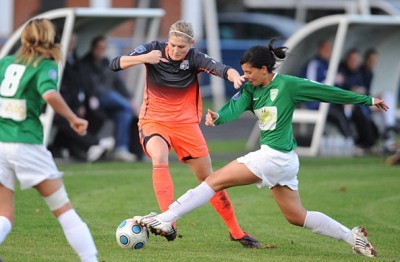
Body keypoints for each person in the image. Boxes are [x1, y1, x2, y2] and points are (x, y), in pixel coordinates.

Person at [133, 38, 388, 258]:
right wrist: (217, 117)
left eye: (250, 72)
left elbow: (327, 92)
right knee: (297, 216)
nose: (246, 76)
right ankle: (351, 237)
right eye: (244, 71)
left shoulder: (288, 85)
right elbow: (232, 108)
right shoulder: (250, 88)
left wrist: (368, 101)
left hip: (275, 157)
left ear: (265, 69)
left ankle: (165, 219)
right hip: (283, 161)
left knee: (213, 181)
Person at [109, 20, 260, 247]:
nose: (176, 50)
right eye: (172, 45)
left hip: (186, 127)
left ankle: (236, 231)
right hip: (154, 122)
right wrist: (144, 58)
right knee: (159, 156)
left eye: (182, 46)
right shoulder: (153, 49)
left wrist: (234, 76)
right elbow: (115, 63)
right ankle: (168, 222)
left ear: (191, 44)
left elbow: (221, 68)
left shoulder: (195, 58)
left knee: (210, 180)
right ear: (167, 40)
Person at [0, 19, 98, 261]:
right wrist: (73, 118)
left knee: (4, 215)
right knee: (64, 210)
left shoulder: (5, 62)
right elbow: (50, 93)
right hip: (24, 143)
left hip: (0, 144)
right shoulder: (45, 66)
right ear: (51, 39)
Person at [50, 34, 115, 162]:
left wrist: (81, 102)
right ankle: (94, 144)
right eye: (70, 41)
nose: (72, 44)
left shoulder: (75, 57)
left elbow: (80, 82)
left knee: (96, 115)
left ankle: (67, 148)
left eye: (73, 41)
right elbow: (54, 91)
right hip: (61, 102)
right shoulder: (54, 61)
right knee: (70, 121)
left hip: (74, 101)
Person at [81, 35, 137, 162]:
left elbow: (118, 82)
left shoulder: (106, 63)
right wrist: (129, 103)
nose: (102, 51)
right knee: (124, 105)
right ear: (93, 48)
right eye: (100, 48)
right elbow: (89, 86)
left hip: (109, 102)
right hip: (95, 99)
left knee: (124, 113)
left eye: (104, 48)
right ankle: (128, 106)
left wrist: (130, 98)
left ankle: (120, 149)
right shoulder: (85, 64)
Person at [301, 40, 353, 141]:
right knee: (338, 115)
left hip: (328, 101)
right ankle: (350, 140)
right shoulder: (314, 64)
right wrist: (333, 79)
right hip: (315, 102)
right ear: (319, 50)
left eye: (329, 49)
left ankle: (355, 141)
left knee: (350, 108)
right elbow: (312, 86)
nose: (328, 51)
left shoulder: (327, 65)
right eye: (326, 49)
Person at [337, 48, 380, 155]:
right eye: (352, 60)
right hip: (344, 103)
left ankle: (370, 141)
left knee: (368, 117)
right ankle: (356, 142)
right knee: (358, 112)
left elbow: (365, 90)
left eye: (356, 60)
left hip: (359, 103)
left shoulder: (360, 73)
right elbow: (338, 87)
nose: (354, 63)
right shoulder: (342, 70)